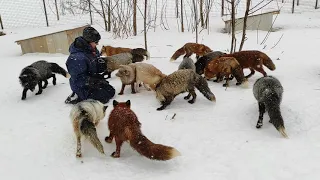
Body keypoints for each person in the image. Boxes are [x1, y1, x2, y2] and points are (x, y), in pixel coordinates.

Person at [64, 26, 115, 104]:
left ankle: (86, 94)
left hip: (91, 80)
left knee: (110, 91)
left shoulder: (92, 50)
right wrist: (92, 81)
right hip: (81, 86)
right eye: (96, 42)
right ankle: (77, 96)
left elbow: (93, 64)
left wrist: (101, 65)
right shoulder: (77, 58)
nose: (97, 44)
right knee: (103, 98)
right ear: (89, 41)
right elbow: (77, 79)